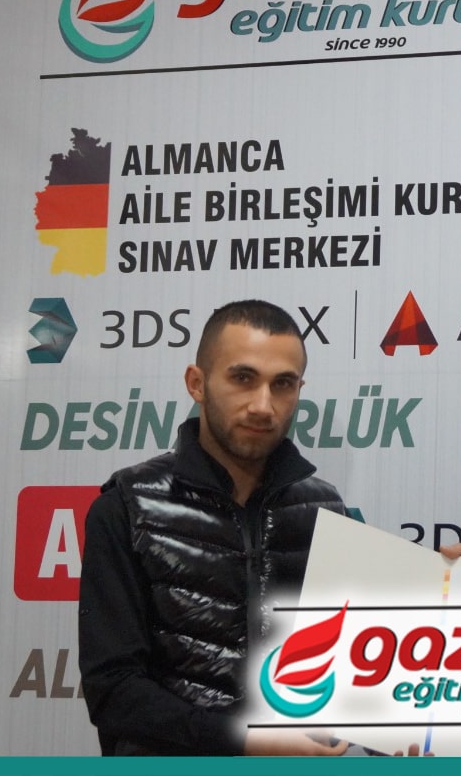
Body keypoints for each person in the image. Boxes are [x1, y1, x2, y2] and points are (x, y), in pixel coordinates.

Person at [78, 299, 351, 756]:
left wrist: (451, 587)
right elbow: (113, 690)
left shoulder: (327, 510)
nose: (263, 405)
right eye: (243, 378)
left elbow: (359, 669)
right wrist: (244, 742)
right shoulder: (127, 506)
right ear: (197, 383)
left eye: (282, 384)